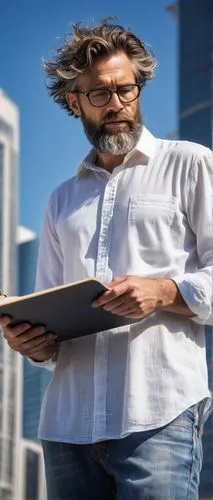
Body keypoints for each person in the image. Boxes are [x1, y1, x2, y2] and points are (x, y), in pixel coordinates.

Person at [1, 20, 213, 500]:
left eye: (126, 89)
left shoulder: (192, 164)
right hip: (67, 430)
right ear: (74, 102)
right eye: (99, 94)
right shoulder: (60, 200)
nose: (116, 104)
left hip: (158, 417)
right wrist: (30, 340)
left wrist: (164, 291)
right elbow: (50, 327)